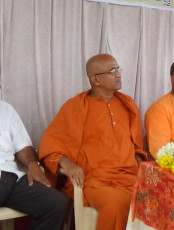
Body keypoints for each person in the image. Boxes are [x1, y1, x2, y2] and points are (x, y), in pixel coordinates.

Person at [38, 54, 147, 230]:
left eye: (118, 69)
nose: (119, 74)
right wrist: (69, 164)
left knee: (159, 200)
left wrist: (142, 170)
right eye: (113, 71)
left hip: (129, 176)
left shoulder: (127, 104)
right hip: (94, 179)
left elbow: (136, 147)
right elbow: (50, 146)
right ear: (95, 79)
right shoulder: (76, 106)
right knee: (115, 205)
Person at [0, 98, 67, 230]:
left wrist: (32, 164)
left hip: (11, 178)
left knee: (55, 203)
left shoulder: (6, 109)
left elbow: (22, 146)